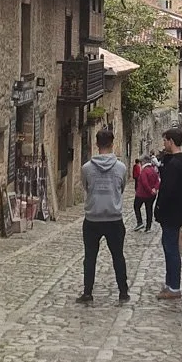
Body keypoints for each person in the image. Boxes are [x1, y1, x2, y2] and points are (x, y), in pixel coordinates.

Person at [76, 129, 129, 305]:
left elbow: (86, 187)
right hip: (114, 218)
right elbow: (121, 187)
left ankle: (87, 292)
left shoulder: (86, 168)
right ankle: (123, 292)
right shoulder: (121, 168)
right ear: (112, 144)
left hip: (93, 218)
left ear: (96, 144)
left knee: (90, 257)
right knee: (118, 256)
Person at [153, 127, 182, 299]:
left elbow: (167, 190)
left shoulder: (175, 165)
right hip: (179, 209)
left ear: (171, 141)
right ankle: (169, 282)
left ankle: (174, 287)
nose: (163, 143)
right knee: (169, 246)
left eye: (165, 140)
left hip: (171, 212)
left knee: (171, 248)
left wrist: (159, 208)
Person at [133, 153, 159, 231]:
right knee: (149, 209)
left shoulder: (144, 171)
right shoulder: (153, 170)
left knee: (136, 206)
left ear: (144, 162)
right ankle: (148, 226)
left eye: (141, 162)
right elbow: (158, 181)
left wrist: (150, 190)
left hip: (142, 194)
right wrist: (155, 189)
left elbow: (145, 183)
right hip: (152, 195)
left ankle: (140, 222)